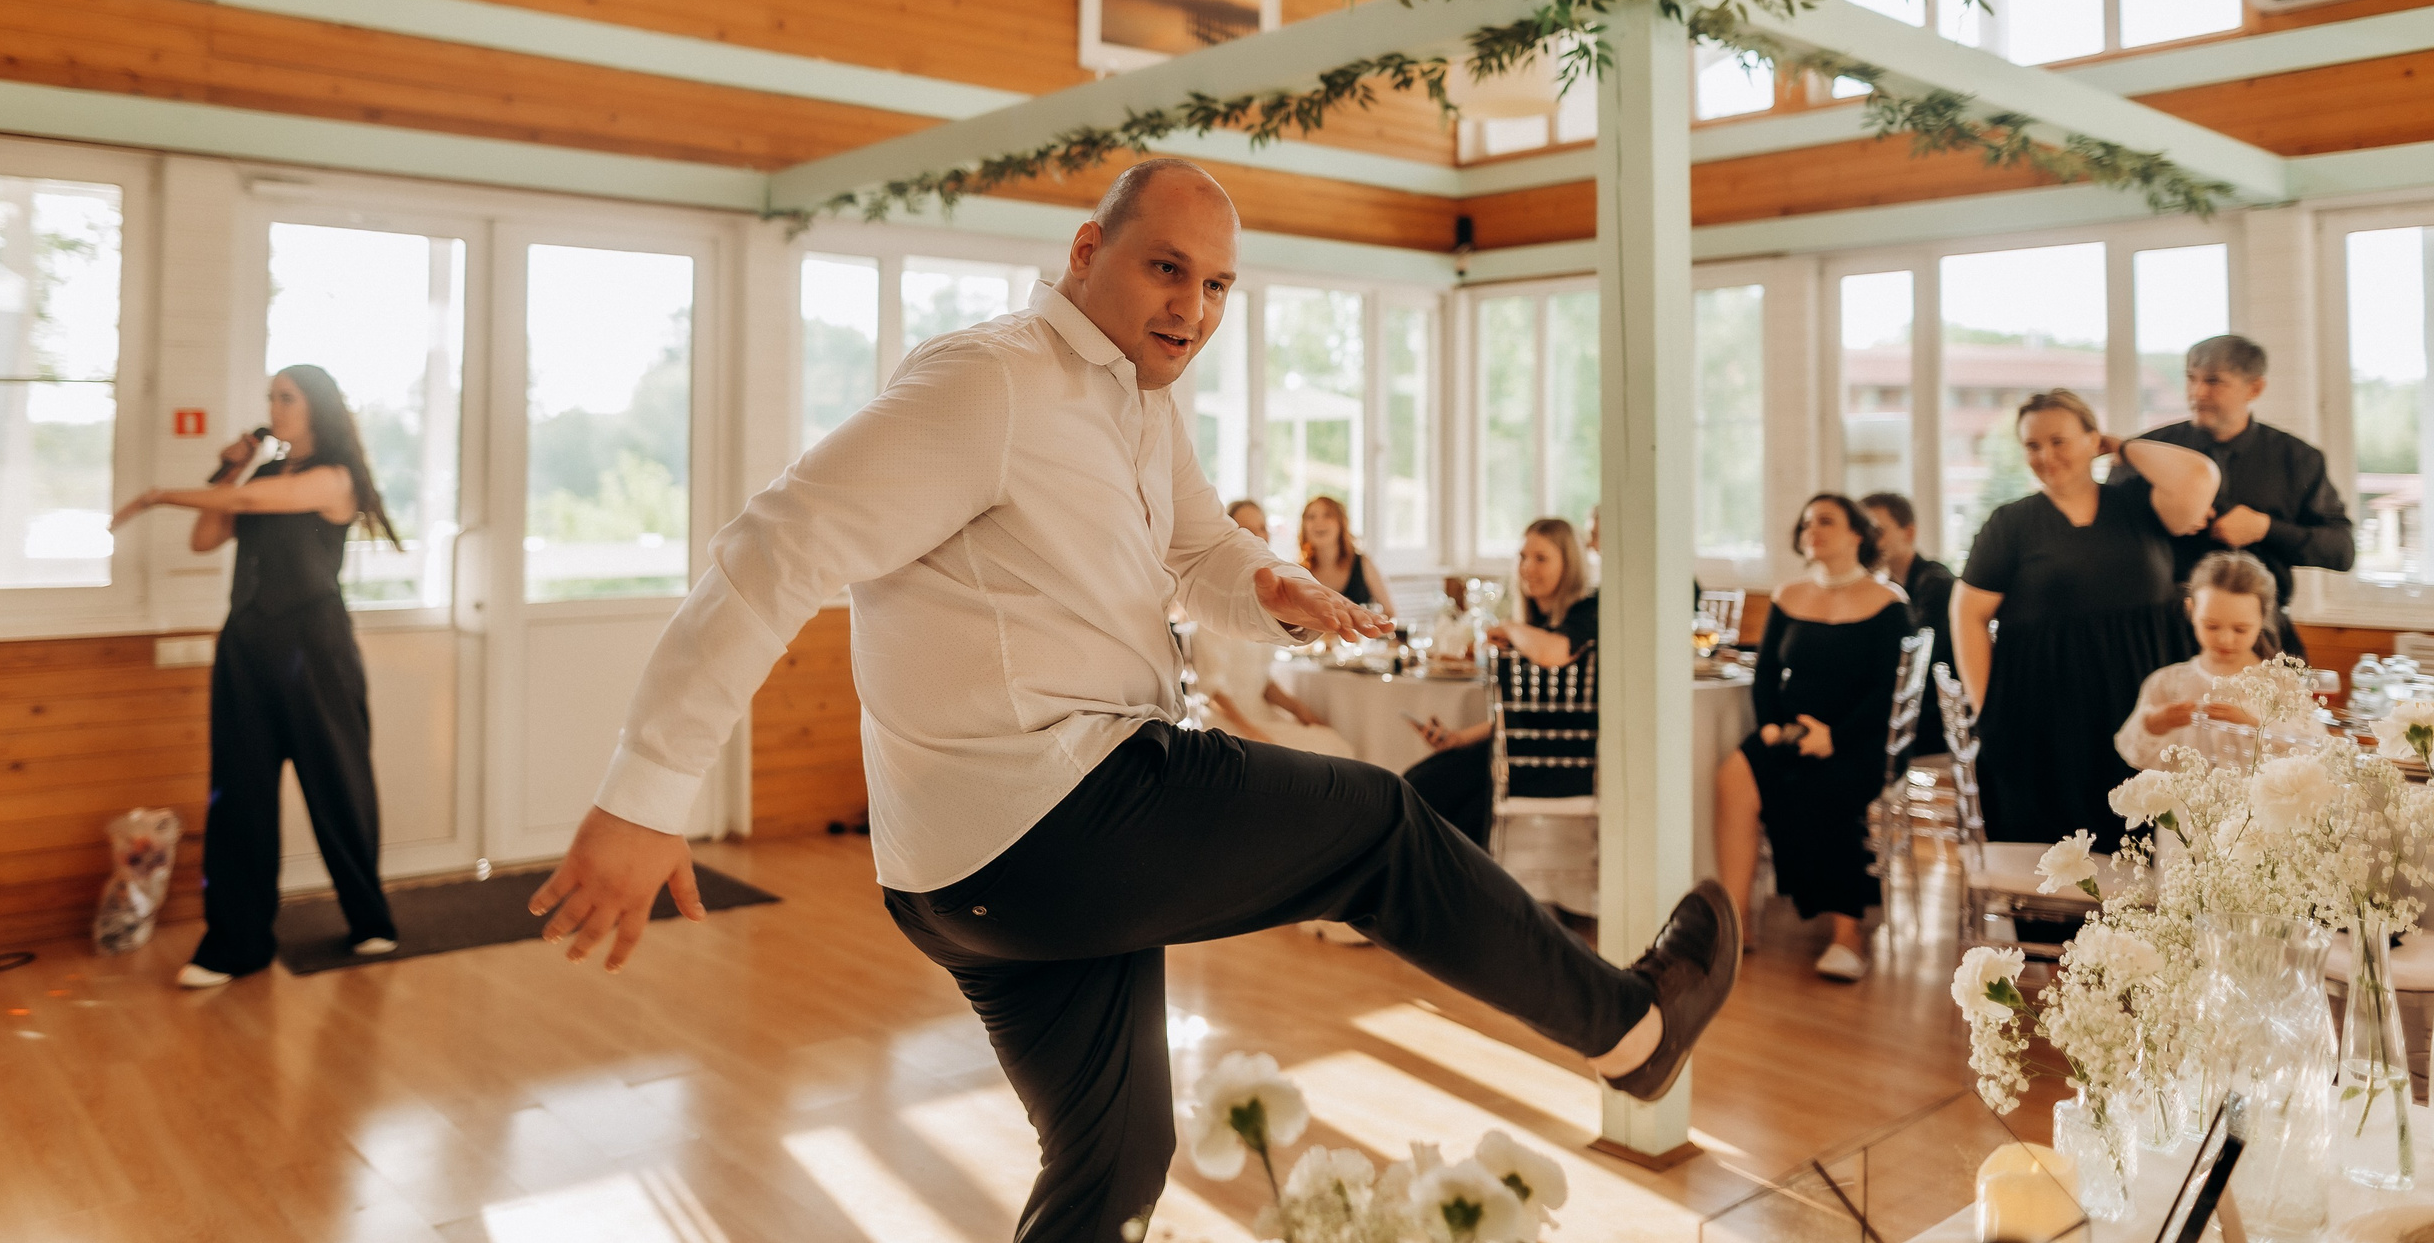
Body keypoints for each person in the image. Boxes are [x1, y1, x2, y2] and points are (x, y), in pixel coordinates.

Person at [527, 159, 1739, 1243]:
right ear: (1084, 251)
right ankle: (1631, 1030)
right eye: (1168, 269)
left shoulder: (1142, 404)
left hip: (965, 878)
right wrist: (644, 794)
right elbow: (770, 549)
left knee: (1113, 1161)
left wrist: (1275, 590)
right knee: (1378, 825)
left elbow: (1195, 550)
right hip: (1055, 809)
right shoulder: (989, 382)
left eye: (1217, 287)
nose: (1192, 309)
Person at [110, 365, 402, 987]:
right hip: (247, 646)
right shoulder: (262, 475)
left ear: (316, 408)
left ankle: (369, 918)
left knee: (337, 783)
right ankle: (234, 945)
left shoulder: (334, 479)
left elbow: (241, 507)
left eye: (286, 397)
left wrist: (160, 493)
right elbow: (207, 536)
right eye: (271, 397)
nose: (274, 407)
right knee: (238, 794)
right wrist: (231, 466)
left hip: (315, 650)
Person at [1951, 390, 2220, 852]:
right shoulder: (2010, 524)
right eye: (2032, 446)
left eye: (2059, 441)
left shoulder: (2141, 505)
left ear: (2092, 439)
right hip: (2048, 715)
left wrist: (2122, 446)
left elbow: (2200, 476)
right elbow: (1967, 614)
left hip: (2140, 705)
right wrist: (1989, 709)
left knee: (2148, 843)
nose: (2044, 456)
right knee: (2058, 846)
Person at [1714, 495, 1913, 982]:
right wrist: (1769, 726)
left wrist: (1836, 737)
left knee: (1828, 788)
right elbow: (1765, 677)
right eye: (1806, 523)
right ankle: (1738, 922)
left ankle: (1848, 933)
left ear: (1857, 535)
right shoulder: (1788, 595)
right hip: (1789, 730)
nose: (1812, 530)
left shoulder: (1889, 604)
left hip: (1859, 741)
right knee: (1734, 775)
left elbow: (1887, 691)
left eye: (1826, 521)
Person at [2108, 334, 2353, 659]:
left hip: (2260, 637)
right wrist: (2165, 514)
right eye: (2191, 379)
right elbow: (2107, 535)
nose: (2196, 393)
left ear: (2254, 388)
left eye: (2213, 382)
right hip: (2159, 634)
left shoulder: (2298, 459)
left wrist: (2265, 528)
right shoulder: (2148, 451)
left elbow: (2341, 551)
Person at [1404, 515, 1597, 851]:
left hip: (1560, 763)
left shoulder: (1588, 612)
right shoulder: (1534, 623)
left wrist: (1510, 628)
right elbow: (1518, 715)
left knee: (1438, 798)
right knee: (1416, 786)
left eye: (1541, 558)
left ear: (1570, 564)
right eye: (1523, 557)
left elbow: (1556, 651)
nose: (1527, 568)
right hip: (1517, 753)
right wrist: (1458, 739)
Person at [2116, 550, 2323, 768]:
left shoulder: (2281, 683)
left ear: (2262, 617)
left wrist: (2255, 725)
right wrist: (2155, 724)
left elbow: (2313, 752)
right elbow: (2135, 757)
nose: (2225, 640)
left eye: (2240, 629)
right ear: (2191, 609)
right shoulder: (2167, 683)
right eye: (2211, 626)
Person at [1194, 499, 1351, 755]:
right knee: (1333, 752)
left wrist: (1301, 711)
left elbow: (1261, 681)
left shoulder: (1263, 599)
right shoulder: (1212, 603)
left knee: (1332, 738)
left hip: (1261, 715)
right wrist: (1257, 736)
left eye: (1262, 528)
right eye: (1247, 529)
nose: (1258, 537)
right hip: (1229, 728)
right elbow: (1212, 694)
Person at [1859, 492, 1954, 759]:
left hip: (1928, 717)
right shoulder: (1882, 588)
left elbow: (1919, 663)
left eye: (1877, 531)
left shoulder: (1935, 583)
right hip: (1900, 708)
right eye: (1864, 532)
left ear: (1908, 533)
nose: (1869, 542)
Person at [1298, 494, 1397, 614]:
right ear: (1304, 526)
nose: (1318, 522)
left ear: (1341, 523)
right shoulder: (1299, 573)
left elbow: (1390, 612)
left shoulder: (1363, 563)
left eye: (1327, 515)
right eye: (1311, 517)